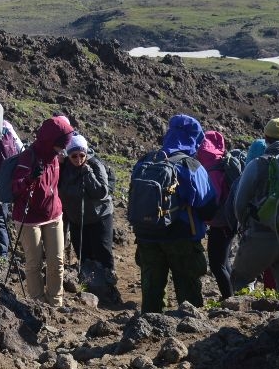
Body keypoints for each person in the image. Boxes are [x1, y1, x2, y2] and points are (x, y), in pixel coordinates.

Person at [132, 114, 216, 312]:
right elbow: (208, 207)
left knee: (151, 289)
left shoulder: (146, 161)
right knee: (189, 294)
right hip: (182, 237)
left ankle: (147, 331)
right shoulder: (190, 166)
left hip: (146, 235)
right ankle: (191, 333)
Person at [229, 118, 279, 296]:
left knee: (241, 280)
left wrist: (245, 226)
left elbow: (239, 203)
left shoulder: (257, 164)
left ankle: (243, 321)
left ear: (266, 139)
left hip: (261, 235)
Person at [9, 115, 76, 307]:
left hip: (54, 214)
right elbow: (15, 188)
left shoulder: (55, 157)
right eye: (60, 145)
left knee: (57, 262)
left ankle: (55, 303)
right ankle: (37, 305)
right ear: (50, 141)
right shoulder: (28, 157)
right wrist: (30, 178)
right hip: (29, 219)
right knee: (34, 264)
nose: (62, 149)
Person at [58, 133, 116, 287]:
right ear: (68, 155)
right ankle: (89, 286)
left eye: (82, 155)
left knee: (103, 254)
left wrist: (88, 173)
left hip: (100, 216)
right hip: (77, 218)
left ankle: (109, 287)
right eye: (74, 156)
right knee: (84, 255)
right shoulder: (64, 167)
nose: (78, 159)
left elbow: (101, 192)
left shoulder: (95, 165)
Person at [196, 130, 236, 298]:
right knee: (224, 262)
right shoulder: (222, 163)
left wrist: (201, 215)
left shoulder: (212, 170)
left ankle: (229, 298)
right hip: (229, 221)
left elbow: (212, 199)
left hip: (220, 223)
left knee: (216, 264)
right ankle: (231, 295)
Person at [0, 119, 24, 265]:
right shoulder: (5, 124)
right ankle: (1, 252)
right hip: (3, 179)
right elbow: (20, 149)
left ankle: (0, 253)